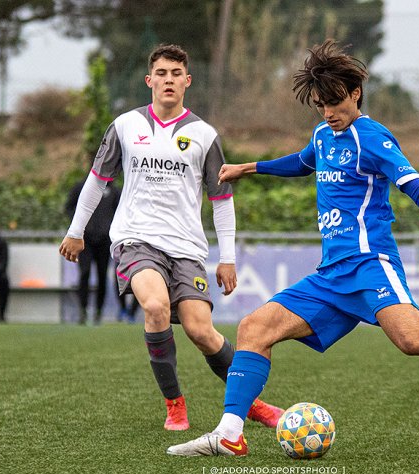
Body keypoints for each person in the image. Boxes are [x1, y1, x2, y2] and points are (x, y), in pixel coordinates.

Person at [167, 40, 419, 457]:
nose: (328, 112)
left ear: (355, 93)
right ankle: (229, 434)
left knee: (416, 340)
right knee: (254, 328)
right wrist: (250, 169)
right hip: (331, 274)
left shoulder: (372, 137)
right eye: (321, 104)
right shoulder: (324, 133)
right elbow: (305, 161)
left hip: (370, 266)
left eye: (335, 102)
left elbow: (413, 184)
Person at [59, 44, 284, 431]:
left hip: (186, 248)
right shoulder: (125, 126)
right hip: (135, 239)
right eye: (161, 73)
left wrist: (227, 257)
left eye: (176, 73)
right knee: (156, 306)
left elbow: (222, 200)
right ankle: (175, 404)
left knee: (201, 330)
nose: (168, 80)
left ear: (187, 81)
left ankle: (253, 404)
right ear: (149, 80)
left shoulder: (204, 135)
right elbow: (97, 181)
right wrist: (75, 232)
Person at [65, 179, 137, 325]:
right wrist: (79, 226)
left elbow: (122, 212)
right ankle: (83, 310)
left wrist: (110, 229)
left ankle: (98, 311)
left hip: (105, 241)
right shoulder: (82, 187)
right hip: (85, 240)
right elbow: (69, 207)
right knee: (84, 273)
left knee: (102, 276)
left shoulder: (115, 191)